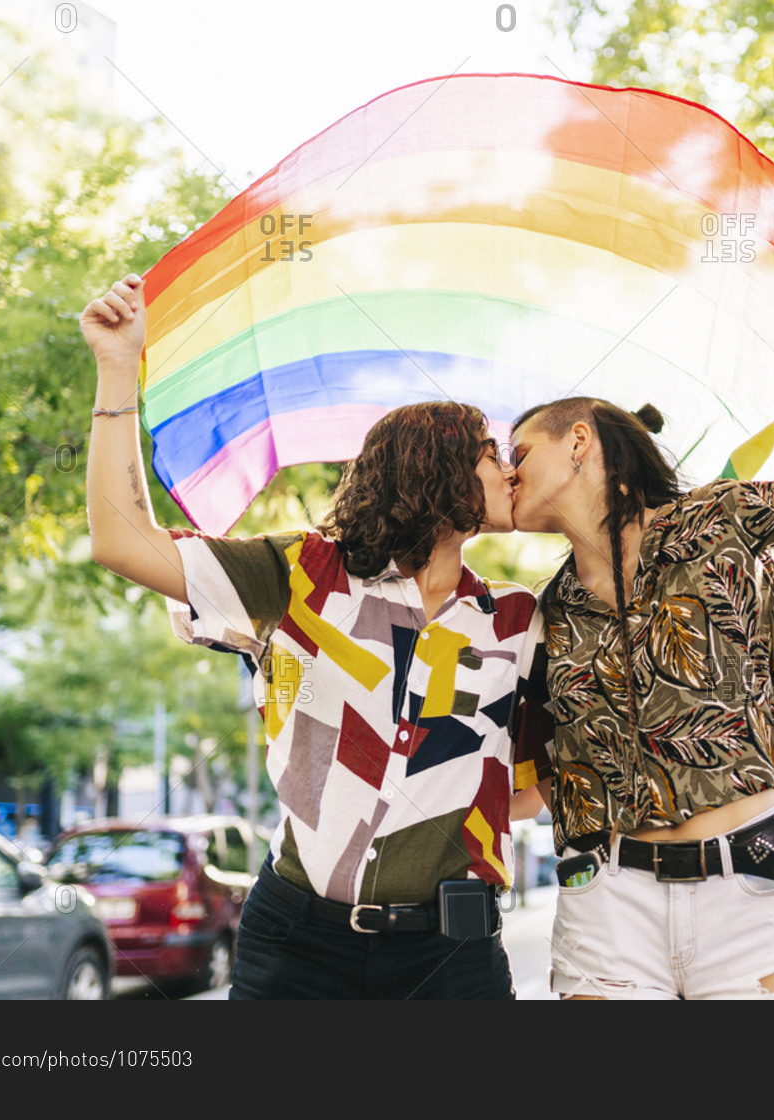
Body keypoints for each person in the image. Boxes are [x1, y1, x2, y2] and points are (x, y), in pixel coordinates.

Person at [80, 273, 553, 999]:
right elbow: (122, 539)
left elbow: (542, 782)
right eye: (492, 452)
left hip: (447, 959)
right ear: (438, 468)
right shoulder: (303, 573)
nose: (509, 468)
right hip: (296, 945)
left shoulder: (518, 621)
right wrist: (118, 370)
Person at [509, 215, 774, 999]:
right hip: (606, 905)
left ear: (578, 442)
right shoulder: (546, 614)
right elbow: (523, 785)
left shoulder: (729, 523)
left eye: (518, 456)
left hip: (754, 892)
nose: (507, 476)